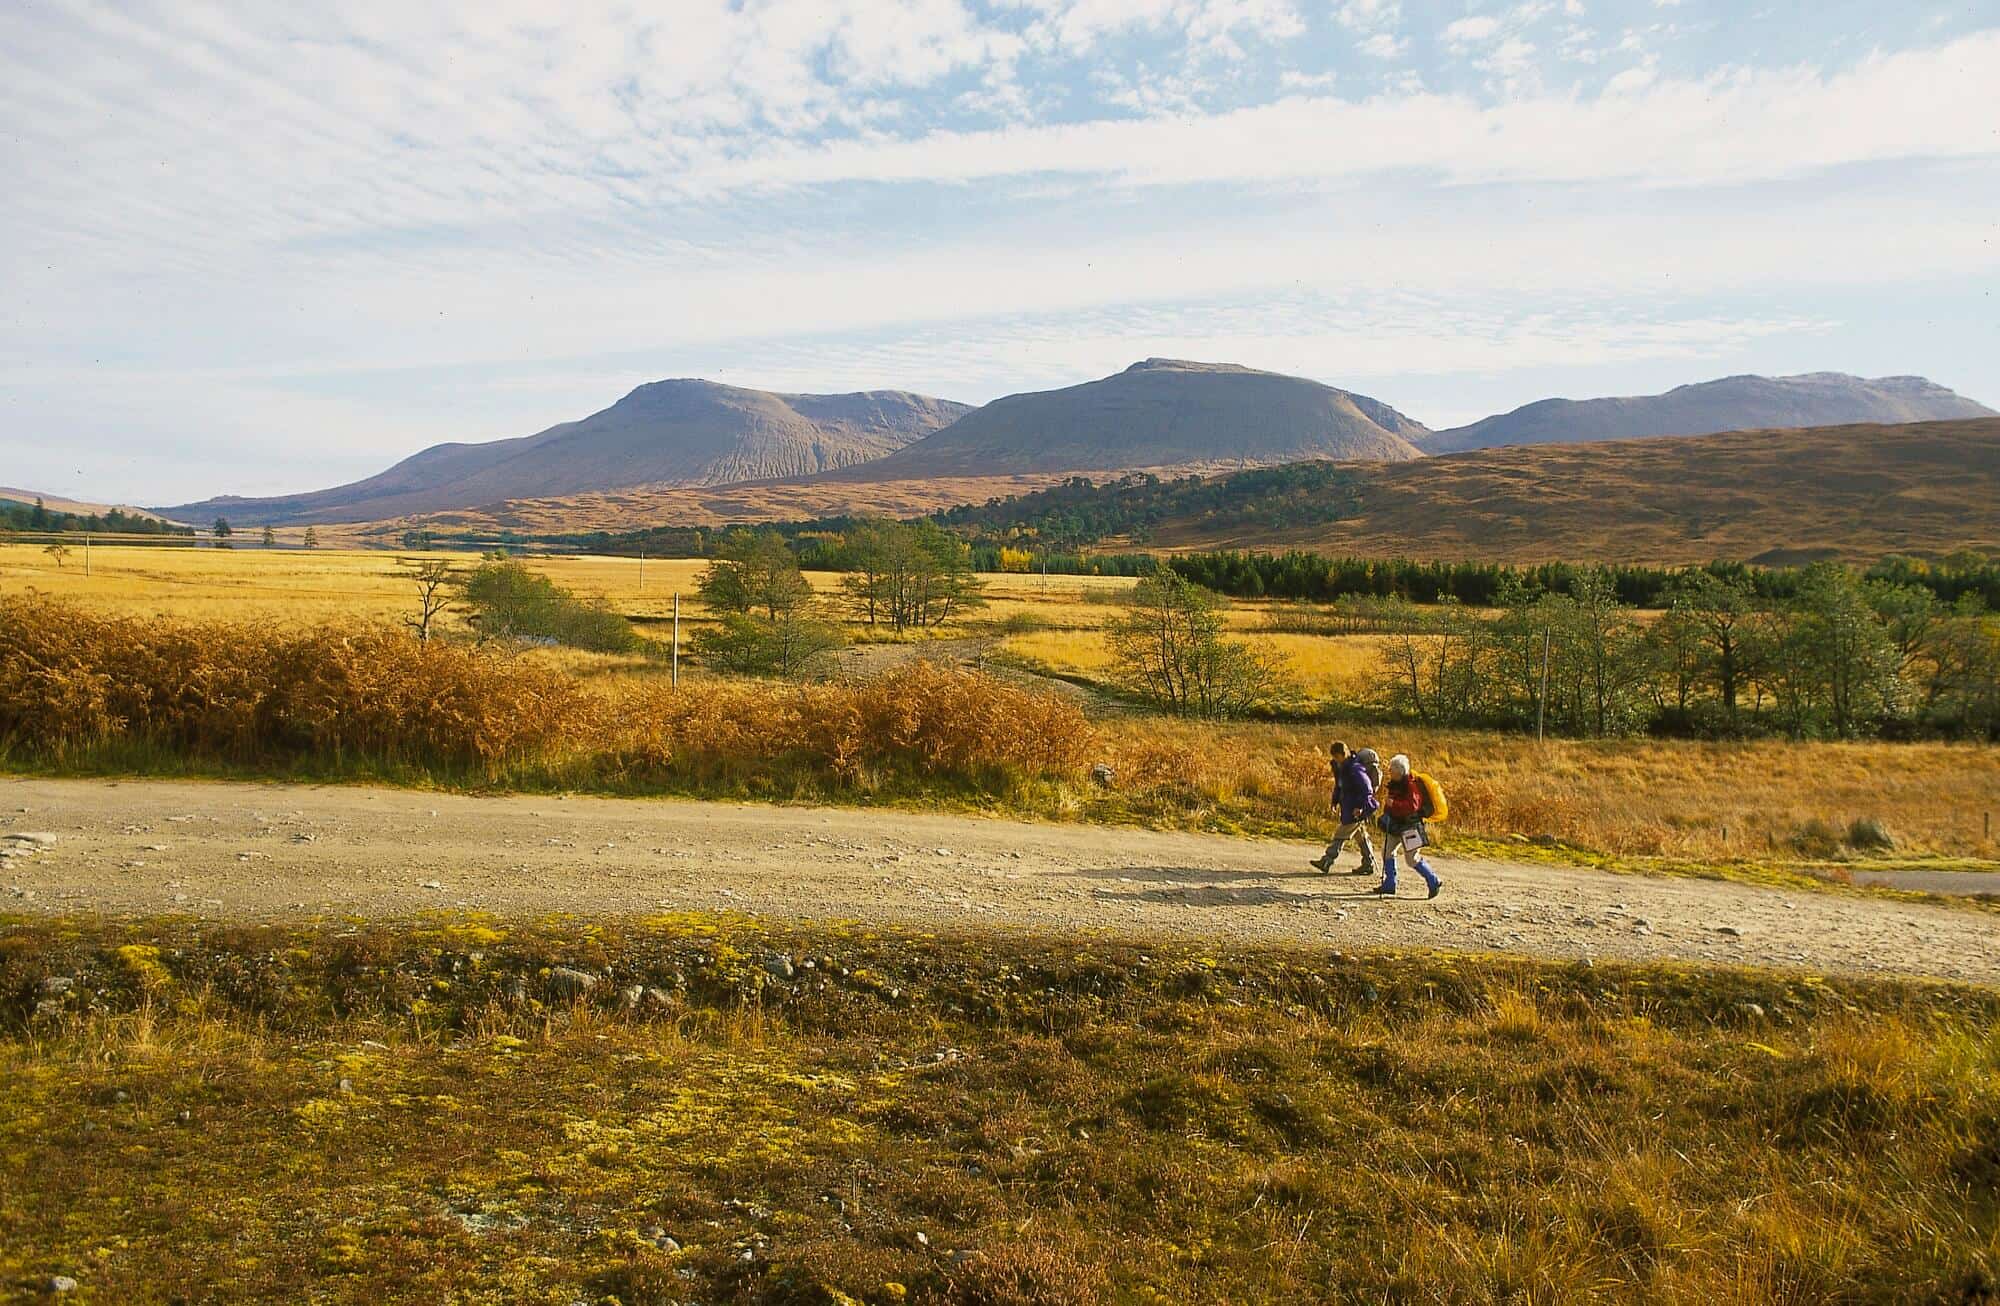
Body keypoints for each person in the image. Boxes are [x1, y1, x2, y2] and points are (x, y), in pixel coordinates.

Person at [1374, 753, 1442, 899]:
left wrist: (1394, 805)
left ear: (1399, 772)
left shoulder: (1411, 786)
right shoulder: (1396, 783)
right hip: (1395, 825)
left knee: (1412, 859)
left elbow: (1412, 806)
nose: (1389, 772)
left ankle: (1433, 880)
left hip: (1411, 827)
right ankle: (1390, 884)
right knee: (1387, 851)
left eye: (1391, 770)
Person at [1308, 741, 1377, 876]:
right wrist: (1334, 801)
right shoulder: (1342, 768)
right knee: (1361, 837)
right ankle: (1368, 863)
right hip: (1350, 807)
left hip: (1355, 809)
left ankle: (1327, 861)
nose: (1334, 759)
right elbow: (1339, 786)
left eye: (1336, 756)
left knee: (1340, 834)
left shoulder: (1355, 769)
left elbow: (1367, 789)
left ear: (1343, 754)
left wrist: (1360, 807)